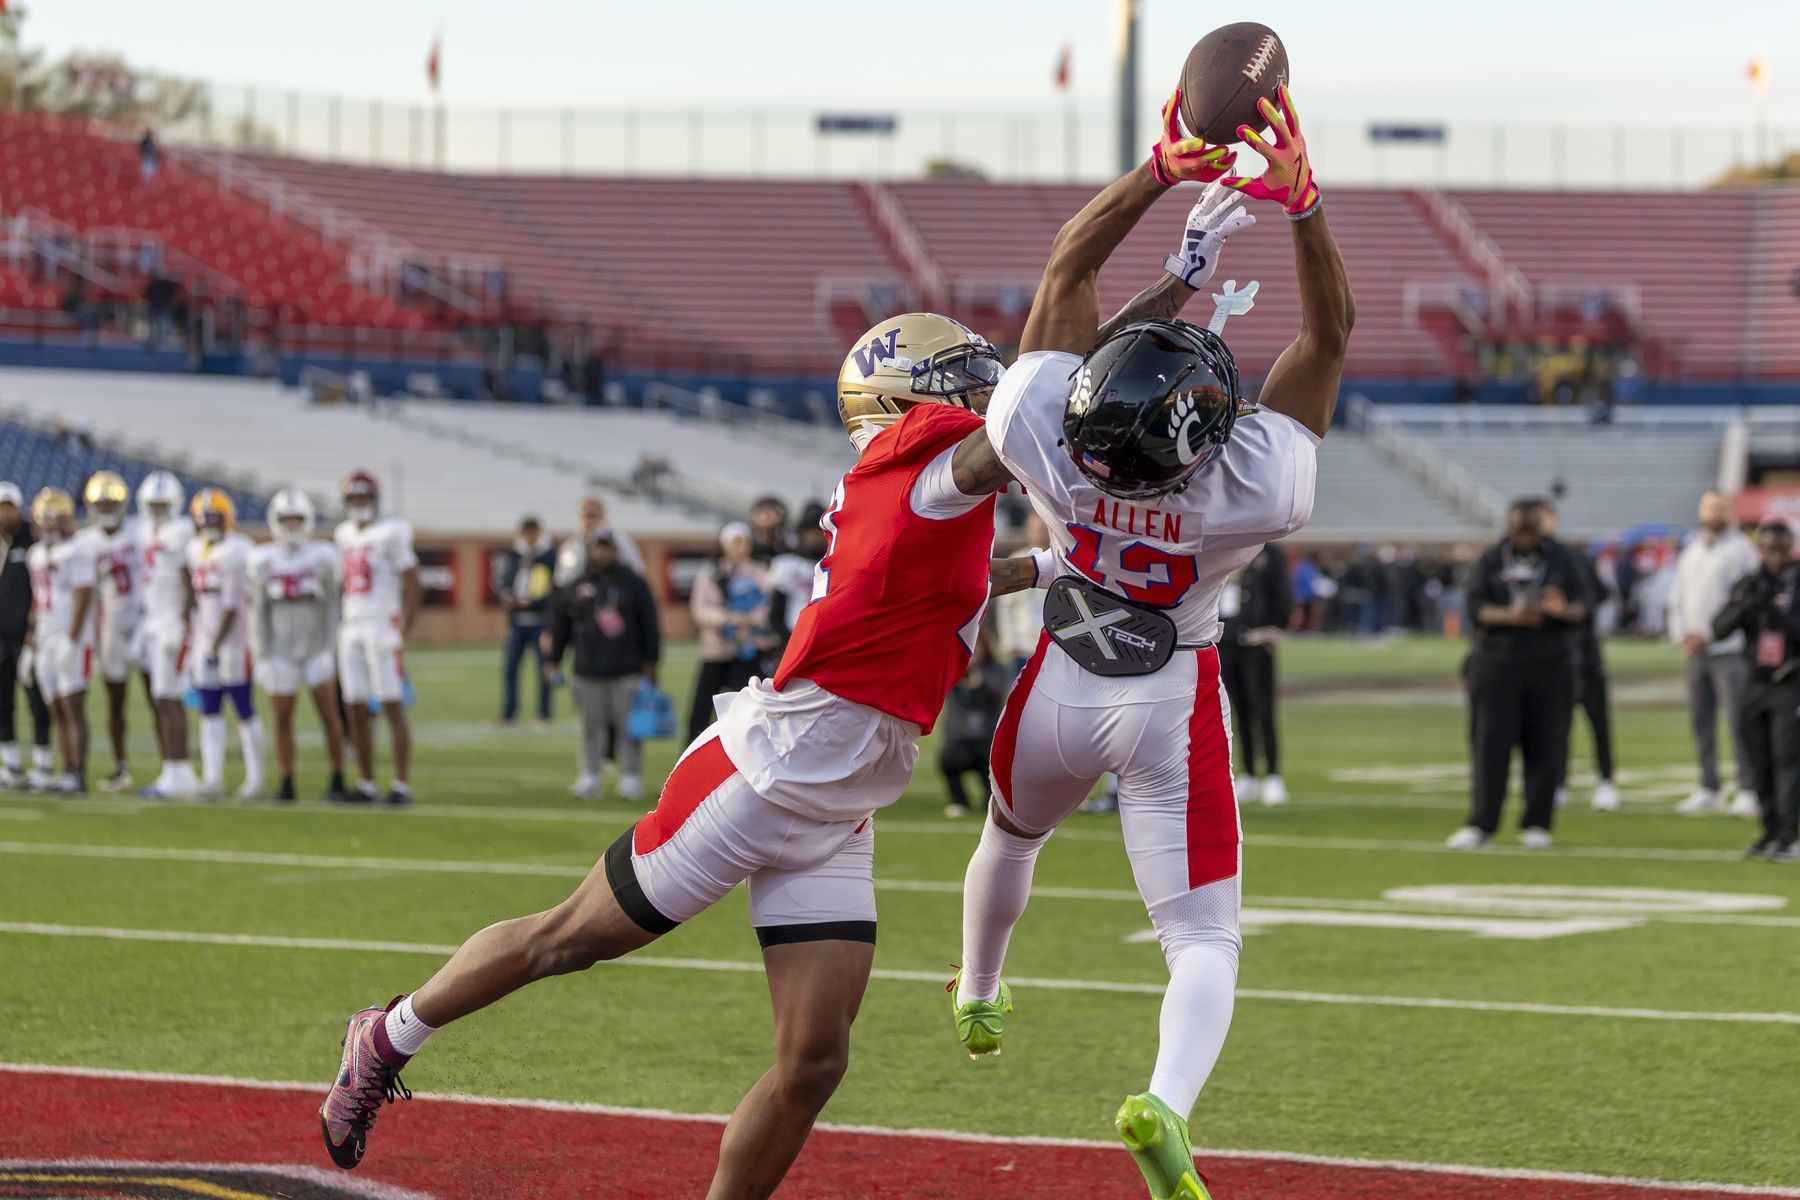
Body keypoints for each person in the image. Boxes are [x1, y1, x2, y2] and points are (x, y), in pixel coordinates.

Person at [317, 310, 1012, 1196]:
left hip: (839, 804)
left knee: (813, 1062)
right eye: (961, 379)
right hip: (761, 778)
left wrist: (1062, 568)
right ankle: (386, 1037)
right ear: (905, 397)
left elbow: (947, 591)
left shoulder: (922, 498)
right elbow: (1025, 428)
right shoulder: (927, 477)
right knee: (564, 941)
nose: (984, 393)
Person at [951, 87, 1350, 1200]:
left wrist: (1162, 172)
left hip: (1060, 685)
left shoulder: (1040, 431)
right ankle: (1164, 1105)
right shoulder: (1251, 490)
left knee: (1010, 837)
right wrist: (1303, 203)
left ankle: (980, 988)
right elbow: (1328, 337)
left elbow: (1067, 284)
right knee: (1204, 938)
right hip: (1171, 696)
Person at [1448, 499, 1589, 851]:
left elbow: (1585, 605)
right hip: (1497, 663)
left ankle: (1537, 822)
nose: (1526, 537)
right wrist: (1508, 615)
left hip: (1549, 661)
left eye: (1532, 529)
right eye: (1519, 529)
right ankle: (1482, 823)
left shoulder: (1563, 559)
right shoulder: (1492, 559)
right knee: (1489, 744)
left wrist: (1561, 609)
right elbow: (1475, 607)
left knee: (1546, 742)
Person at [543, 531, 660, 801]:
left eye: (607, 548)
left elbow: (650, 624)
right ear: (590, 550)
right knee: (589, 726)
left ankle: (630, 777)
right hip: (587, 668)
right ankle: (589, 775)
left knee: (628, 726)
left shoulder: (633, 583)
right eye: (598, 548)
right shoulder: (576, 584)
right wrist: (554, 660)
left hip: (626, 667)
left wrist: (651, 661)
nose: (603, 554)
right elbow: (560, 625)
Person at [249, 489, 349, 803]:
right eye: (285, 520)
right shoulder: (263, 558)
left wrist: (329, 649)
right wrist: (261, 655)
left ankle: (337, 778)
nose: (291, 526)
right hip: (280, 648)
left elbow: (334, 607)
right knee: (281, 718)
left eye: (297, 520)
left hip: (315, 645)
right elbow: (258, 611)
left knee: (329, 716)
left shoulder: (323, 555)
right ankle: (286, 780)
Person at [1710, 519, 1800, 860]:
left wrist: (1774, 611)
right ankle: (1768, 830)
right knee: (1757, 760)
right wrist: (1745, 604)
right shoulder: (1750, 582)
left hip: (1789, 680)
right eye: (1768, 548)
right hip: (1754, 680)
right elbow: (1719, 628)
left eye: (1780, 548)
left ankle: (1788, 835)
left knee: (1786, 759)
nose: (1774, 556)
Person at [1667, 491, 1761, 816]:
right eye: (1708, 506)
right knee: (1700, 720)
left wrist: (1712, 634)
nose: (1713, 512)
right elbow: (1677, 595)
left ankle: (1748, 787)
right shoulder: (1691, 549)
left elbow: (1745, 601)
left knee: (1738, 720)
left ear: (1730, 511)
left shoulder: (1741, 550)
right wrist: (1682, 634)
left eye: (1719, 507)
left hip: (1729, 649)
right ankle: (1708, 785)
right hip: (1694, 650)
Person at [335, 470, 421, 805]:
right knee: (354, 706)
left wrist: (405, 628)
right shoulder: (343, 534)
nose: (359, 504)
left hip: (381, 623)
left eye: (364, 498)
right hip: (351, 623)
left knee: (390, 704)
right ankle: (366, 782)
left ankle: (401, 784)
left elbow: (412, 581)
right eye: (354, 498)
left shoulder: (391, 532)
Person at [1538, 502, 1619, 812]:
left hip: (1581, 652)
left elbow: (1596, 596)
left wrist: (1567, 608)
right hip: (1547, 655)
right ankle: (1557, 783)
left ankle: (1606, 781)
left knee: (1597, 719)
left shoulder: (1572, 558)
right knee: (1555, 725)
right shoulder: (1523, 560)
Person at [185, 488, 264, 800]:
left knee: (244, 708)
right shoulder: (195, 549)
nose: (209, 524)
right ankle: (212, 777)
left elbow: (231, 606)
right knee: (209, 710)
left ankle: (255, 780)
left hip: (234, 642)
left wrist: (214, 644)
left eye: (215, 517)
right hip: (206, 639)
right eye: (204, 518)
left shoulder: (236, 550)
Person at [76, 471, 147, 792]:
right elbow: (87, 595)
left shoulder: (140, 531)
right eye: (100, 502)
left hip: (144, 623)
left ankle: (175, 767)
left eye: (111, 501)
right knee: (115, 701)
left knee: (159, 696)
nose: (106, 507)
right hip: (112, 627)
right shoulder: (87, 542)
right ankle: (121, 767)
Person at [26, 488, 97, 793]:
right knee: (54, 705)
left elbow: (83, 596)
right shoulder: (36, 554)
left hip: (71, 637)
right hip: (46, 635)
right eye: (47, 521)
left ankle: (77, 772)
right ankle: (65, 767)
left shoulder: (77, 550)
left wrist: (72, 638)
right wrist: (31, 639)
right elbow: (39, 599)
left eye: (56, 521)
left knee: (73, 705)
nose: (51, 527)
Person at [134, 470, 200, 800]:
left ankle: (181, 771)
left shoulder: (182, 530)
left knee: (169, 697)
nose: (158, 510)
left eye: (163, 504)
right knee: (160, 697)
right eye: (153, 505)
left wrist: (182, 621)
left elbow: (190, 580)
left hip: (171, 623)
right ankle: (172, 770)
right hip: (153, 622)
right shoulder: (145, 530)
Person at [1220, 542, 1292, 807]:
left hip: (1257, 641)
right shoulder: (1221, 546)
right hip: (1225, 641)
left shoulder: (1269, 553)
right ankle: (1248, 773)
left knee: (1262, 710)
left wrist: (1274, 627)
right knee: (1237, 711)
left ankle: (1272, 775)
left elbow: (1281, 593)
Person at [686, 522, 770, 741]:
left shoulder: (759, 572)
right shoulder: (709, 573)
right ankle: (692, 753)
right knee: (700, 709)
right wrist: (724, 619)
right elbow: (700, 608)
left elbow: (766, 606)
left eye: (744, 541)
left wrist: (747, 620)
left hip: (748, 648)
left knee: (753, 707)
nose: (741, 547)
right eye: (736, 541)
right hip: (716, 649)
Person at [0, 482, 54, 790]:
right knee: (2, 701)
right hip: (0, 638)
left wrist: (34, 629)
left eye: (8, 506)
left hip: (27, 635)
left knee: (36, 698)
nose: (4, 513)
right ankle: (10, 764)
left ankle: (43, 763)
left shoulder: (30, 539)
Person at [494, 515, 557, 726]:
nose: (529, 538)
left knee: (544, 667)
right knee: (511, 668)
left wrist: (531, 602)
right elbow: (504, 582)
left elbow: (554, 591)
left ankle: (544, 713)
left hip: (540, 621)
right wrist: (508, 598)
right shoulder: (513, 555)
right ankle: (509, 713)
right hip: (517, 623)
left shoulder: (549, 557)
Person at [940, 634, 1007, 818]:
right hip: (961, 739)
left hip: (987, 740)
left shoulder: (995, 669)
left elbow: (998, 693)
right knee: (948, 759)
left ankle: (990, 800)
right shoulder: (954, 669)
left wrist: (980, 682)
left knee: (991, 778)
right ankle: (959, 800)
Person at [553, 496, 643, 586]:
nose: (587, 520)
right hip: (580, 594)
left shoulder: (619, 541)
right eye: (583, 515)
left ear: (602, 515)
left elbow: (636, 569)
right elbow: (562, 578)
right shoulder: (572, 545)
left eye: (591, 515)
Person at [748, 495, 794, 563]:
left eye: (771, 511)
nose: (766, 515)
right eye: (761, 511)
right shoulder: (746, 538)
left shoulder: (789, 541)